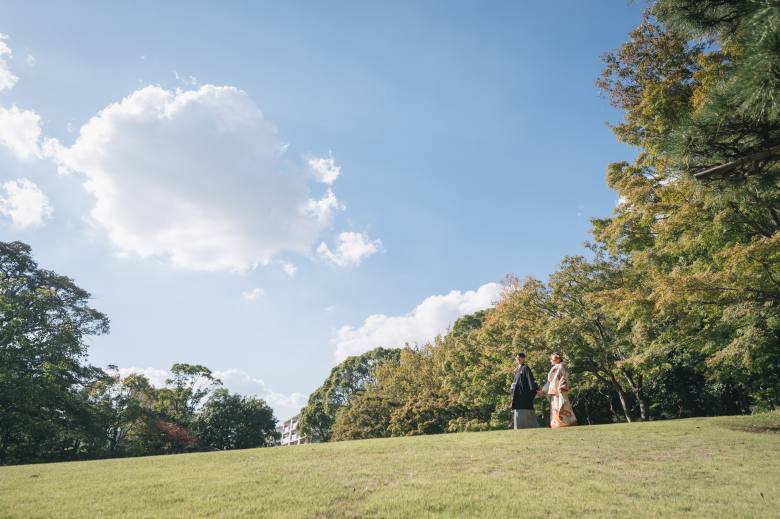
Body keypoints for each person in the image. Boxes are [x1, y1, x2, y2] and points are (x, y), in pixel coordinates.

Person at [544, 352, 577, 428]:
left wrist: (544, 389)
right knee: (560, 406)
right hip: (558, 390)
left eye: (552, 359)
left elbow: (554, 380)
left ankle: (562, 423)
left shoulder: (558, 367)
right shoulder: (560, 367)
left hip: (558, 390)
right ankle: (565, 422)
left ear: (557, 359)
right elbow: (551, 381)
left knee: (560, 406)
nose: (551, 360)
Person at [510, 352, 540, 429]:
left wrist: (536, 389)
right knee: (518, 410)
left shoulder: (525, 368)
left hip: (524, 395)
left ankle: (530, 426)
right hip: (517, 395)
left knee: (526, 410)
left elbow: (531, 380)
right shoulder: (517, 370)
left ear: (523, 359)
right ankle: (519, 427)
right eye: (517, 358)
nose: (518, 359)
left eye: (520, 358)